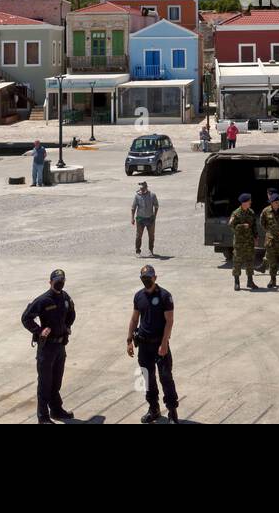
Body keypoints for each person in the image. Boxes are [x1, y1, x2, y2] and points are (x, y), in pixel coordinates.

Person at [21, 268, 76, 424]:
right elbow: (26, 318)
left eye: (62, 281)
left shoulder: (65, 297)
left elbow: (72, 312)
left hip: (60, 346)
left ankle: (56, 410)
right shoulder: (43, 300)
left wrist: (67, 326)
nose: (60, 283)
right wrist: (39, 331)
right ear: (50, 282)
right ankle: (43, 417)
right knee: (45, 383)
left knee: (56, 381)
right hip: (47, 348)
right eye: (57, 281)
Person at [127, 264, 178, 424]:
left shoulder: (165, 296)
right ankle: (153, 408)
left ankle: (172, 412)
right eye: (143, 278)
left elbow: (169, 322)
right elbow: (135, 319)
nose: (146, 281)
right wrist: (129, 340)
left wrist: (164, 344)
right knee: (147, 378)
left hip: (159, 344)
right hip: (143, 345)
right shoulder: (138, 296)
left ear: (155, 278)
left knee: (166, 377)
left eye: (149, 278)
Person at [229, 193, 258, 290]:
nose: (251, 202)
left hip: (249, 242)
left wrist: (256, 237)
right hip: (239, 243)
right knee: (237, 262)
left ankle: (250, 282)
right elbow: (231, 226)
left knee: (250, 262)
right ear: (244, 203)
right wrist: (242, 226)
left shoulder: (251, 212)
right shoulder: (236, 213)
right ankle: (237, 282)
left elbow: (254, 226)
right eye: (249, 201)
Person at [132, 180, 159, 256]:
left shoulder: (152, 195)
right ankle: (138, 251)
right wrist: (132, 218)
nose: (142, 190)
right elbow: (133, 208)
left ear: (146, 187)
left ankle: (151, 250)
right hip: (140, 219)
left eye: (143, 189)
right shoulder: (137, 196)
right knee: (138, 235)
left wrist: (154, 215)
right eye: (141, 189)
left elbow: (156, 206)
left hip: (150, 218)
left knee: (151, 235)